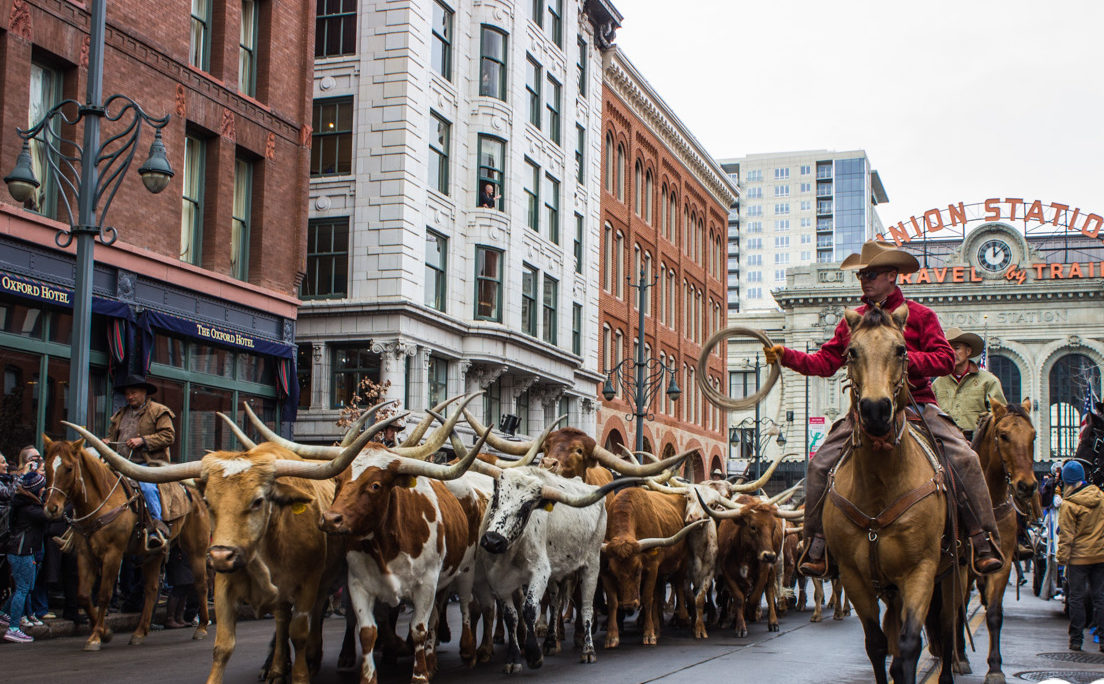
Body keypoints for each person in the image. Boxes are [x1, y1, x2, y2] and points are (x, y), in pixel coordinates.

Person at [763, 240, 1003, 577]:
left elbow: (945, 358)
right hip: (864, 411)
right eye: (862, 275)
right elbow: (827, 362)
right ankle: (815, 542)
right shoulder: (853, 321)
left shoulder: (920, 316)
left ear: (892, 275)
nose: (865, 280)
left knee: (966, 458)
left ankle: (982, 538)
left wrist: (900, 358)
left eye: (871, 274)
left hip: (917, 405)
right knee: (819, 465)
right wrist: (786, 355)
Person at [106, 375, 176, 550]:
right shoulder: (120, 415)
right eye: (127, 394)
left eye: (133, 393)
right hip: (120, 464)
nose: (130, 397)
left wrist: (143, 441)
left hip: (146, 465)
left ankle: (156, 527)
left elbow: (169, 436)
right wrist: (107, 442)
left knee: (147, 487)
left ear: (144, 392)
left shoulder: (159, 411)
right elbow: (112, 437)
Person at [1056, 460, 1104, 651]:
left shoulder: (1069, 505)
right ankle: (1103, 639)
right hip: (1101, 556)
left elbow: (1066, 536)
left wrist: (1061, 558)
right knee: (1100, 597)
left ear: (1069, 482)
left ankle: (1076, 639)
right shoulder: (1101, 498)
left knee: (1075, 598)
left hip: (1078, 558)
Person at [932, 327, 1007, 440]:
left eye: (957, 348)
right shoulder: (937, 384)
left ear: (968, 351)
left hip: (977, 443)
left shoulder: (988, 381)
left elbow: (1000, 416)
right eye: (948, 349)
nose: (952, 353)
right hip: (945, 443)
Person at [1, 472, 49, 643]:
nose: (44, 489)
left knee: (24, 587)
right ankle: (13, 628)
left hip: (21, 551)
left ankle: (5, 614)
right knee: (22, 589)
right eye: (42, 487)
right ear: (36, 489)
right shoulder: (30, 508)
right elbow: (50, 516)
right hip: (22, 552)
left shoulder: (25, 503)